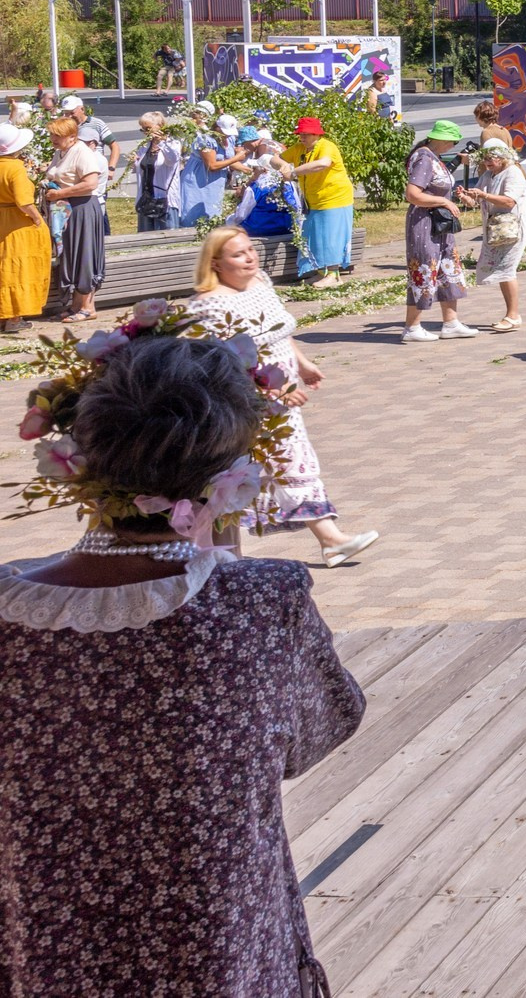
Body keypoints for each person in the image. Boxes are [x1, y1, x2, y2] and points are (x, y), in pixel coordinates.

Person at [0, 334, 367, 995]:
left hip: (48, 943)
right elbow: (324, 725)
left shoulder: (8, 608)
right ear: (226, 471)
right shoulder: (259, 602)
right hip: (216, 942)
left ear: (81, 457)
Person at [190, 224, 380, 564]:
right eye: (238, 254)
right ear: (216, 263)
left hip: (283, 395)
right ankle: (326, 540)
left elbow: (279, 329)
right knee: (270, 465)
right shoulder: (210, 304)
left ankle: (319, 542)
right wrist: (270, 386)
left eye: (250, 250)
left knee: (275, 465)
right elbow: (222, 361)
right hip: (249, 401)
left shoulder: (260, 282)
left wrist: (302, 363)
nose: (249, 258)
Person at [400, 119, 476, 344]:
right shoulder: (424, 158)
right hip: (425, 223)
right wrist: (442, 202)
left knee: (447, 268)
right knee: (424, 268)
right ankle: (412, 326)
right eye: (451, 141)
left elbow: (437, 185)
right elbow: (413, 194)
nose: (453, 145)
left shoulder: (433, 157)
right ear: (441, 139)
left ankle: (451, 322)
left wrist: (453, 195)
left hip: (439, 224)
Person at [279, 116, 356, 287]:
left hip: (335, 199)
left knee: (331, 237)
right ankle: (322, 273)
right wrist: (283, 166)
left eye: (305, 134)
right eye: (300, 134)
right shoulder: (300, 148)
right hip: (313, 201)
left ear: (316, 134)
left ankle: (334, 275)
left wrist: (293, 172)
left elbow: (322, 164)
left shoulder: (327, 147)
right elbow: (275, 159)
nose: (302, 138)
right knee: (315, 237)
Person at [43, 115, 106, 323]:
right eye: (52, 134)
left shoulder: (82, 152)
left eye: (57, 135)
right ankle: (76, 305)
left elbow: (90, 184)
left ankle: (88, 307)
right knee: (72, 254)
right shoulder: (62, 151)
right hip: (68, 209)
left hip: (83, 209)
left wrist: (60, 194)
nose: (53, 138)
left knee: (84, 254)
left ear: (72, 136)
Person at [471, 139, 526, 330]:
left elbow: (509, 202)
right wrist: (467, 196)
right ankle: (511, 314)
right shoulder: (489, 174)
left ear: (503, 157)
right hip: (496, 229)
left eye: (492, 158)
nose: (487, 162)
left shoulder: (513, 173)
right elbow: (477, 198)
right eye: (485, 158)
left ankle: (513, 315)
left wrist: (483, 195)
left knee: (507, 269)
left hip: (512, 229)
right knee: (502, 271)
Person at [0, 124, 50, 334]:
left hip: (2, 218)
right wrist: (37, 217)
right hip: (18, 224)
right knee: (18, 269)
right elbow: (23, 201)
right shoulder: (15, 168)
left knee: (4, 266)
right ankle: (13, 317)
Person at [176, 110, 242, 226]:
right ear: (217, 128)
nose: (228, 134)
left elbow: (226, 160)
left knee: (213, 209)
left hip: (216, 181)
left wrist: (248, 170)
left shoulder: (230, 139)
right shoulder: (206, 140)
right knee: (194, 212)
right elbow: (212, 165)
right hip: (199, 178)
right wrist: (237, 158)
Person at [130, 112, 182, 233]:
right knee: (145, 237)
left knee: (167, 236)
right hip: (146, 198)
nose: (145, 132)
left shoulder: (172, 144)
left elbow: (173, 159)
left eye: (147, 128)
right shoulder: (144, 146)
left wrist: (162, 142)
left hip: (164, 199)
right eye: (142, 129)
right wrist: (135, 163)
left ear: (160, 126)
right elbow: (143, 168)